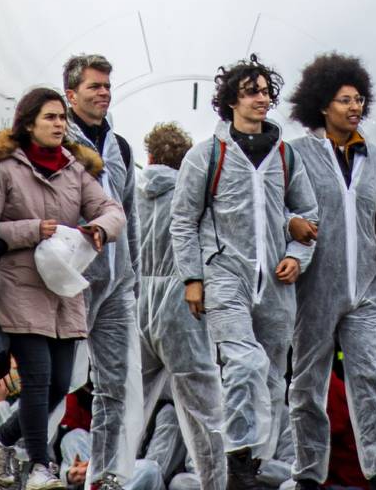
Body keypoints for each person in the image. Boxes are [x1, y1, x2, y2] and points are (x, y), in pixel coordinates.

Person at [170, 54, 319, 490]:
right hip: (223, 275)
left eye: (266, 91)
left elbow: (307, 213)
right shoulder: (206, 156)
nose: (261, 98)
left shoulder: (286, 156)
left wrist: (298, 253)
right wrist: (192, 278)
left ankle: (253, 465)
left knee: (273, 377)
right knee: (243, 363)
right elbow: (183, 220)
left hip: (275, 280)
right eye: (250, 91)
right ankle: (237, 460)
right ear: (230, 100)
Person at [284, 53, 376, 490]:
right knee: (308, 384)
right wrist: (289, 225)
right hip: (313, 287)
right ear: (323, 105)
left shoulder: (375, 158)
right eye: (344, 100)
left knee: (372, 377)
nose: (354, 107)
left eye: (359, 99)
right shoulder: (295, 155)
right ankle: (308, 472)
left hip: (365, 289)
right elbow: (277, 210)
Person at [0, 87, 126, 490]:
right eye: (49, 117)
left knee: (63, 383)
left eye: (62, 118)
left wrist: (99, 228)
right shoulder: (5, 168)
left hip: (65, 287)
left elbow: (111, 209)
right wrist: (33, 230)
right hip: (20, 283)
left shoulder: (75, 169)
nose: (59, 124)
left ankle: (3, 438)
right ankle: (39, 465)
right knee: (38, 377)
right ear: (28, 123)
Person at [62, 54, 144, 489]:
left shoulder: (121, 146)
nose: (104, 93)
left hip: (115, 282)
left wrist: (131, 271)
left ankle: (105, 473)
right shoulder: (59, 141)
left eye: (107, 86)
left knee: (113, 384)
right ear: (71, 93)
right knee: (58, 381)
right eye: (95, 86)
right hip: (71, 283)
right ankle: (15, 443)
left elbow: (128, 212)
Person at [136, 122, 227, 489]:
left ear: (150, 157)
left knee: (125, 408)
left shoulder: (132, 195)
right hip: (182, 304)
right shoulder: (191, 197)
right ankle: (214, 483)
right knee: (204, 410)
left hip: (139, 304)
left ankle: (107, 478)